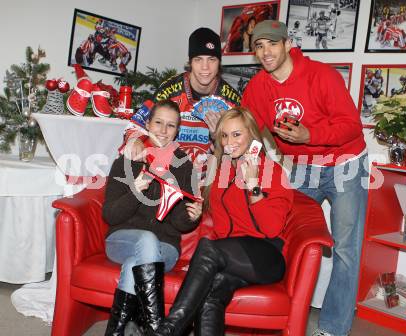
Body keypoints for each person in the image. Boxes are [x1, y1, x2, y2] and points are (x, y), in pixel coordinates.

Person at [241, 20, 368, 336]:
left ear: (287, 44)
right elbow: (250, 132)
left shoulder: (321, 76)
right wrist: (247, 159)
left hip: (345, 163)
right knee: (282, 234)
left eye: (272, 43)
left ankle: (332, 329)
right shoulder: (258, 87)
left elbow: (352, 126)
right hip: (301, 166)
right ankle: (279, 312)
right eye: (259, 46)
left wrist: (310, 134)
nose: (266, 51)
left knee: (344, 249)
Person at [125, 107, 294, 336]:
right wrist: (201, 265)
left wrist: (253, 184)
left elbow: (272, 228)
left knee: (207, 249)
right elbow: (218, 224)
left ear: (252, 137)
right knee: (210, 296)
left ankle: (165, 331)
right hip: (232, 258)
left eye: (237, 134)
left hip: (266, 257)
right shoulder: (223, 171)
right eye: (224, 135)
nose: (229, 141)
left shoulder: (272, 172)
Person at [103, 99, 202, 335]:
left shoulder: (184, 167)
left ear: (177, 130)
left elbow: (181, 223)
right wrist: (136, 191)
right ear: (147, 123)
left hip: (166, 249)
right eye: (158, 122)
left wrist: (193, 216)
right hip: (121, 241)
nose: (163, 131)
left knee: (133, 266)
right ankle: (157, 328)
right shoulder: (128, 158)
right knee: (146, 239)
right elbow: (111, 215)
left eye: (171, 125)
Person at [125, 27, 241, 168]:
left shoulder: (232, 100)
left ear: (219, 63)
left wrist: (219, 137)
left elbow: (243, 148)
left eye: (212, 59)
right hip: (169, 171)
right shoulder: (169, 90)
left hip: (211, 177)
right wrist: (135, 140)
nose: (205, 67)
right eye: (198, 59)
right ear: (190, 62)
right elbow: (136, 124)